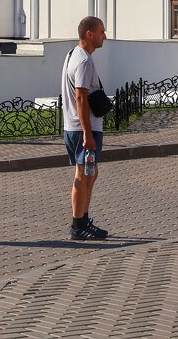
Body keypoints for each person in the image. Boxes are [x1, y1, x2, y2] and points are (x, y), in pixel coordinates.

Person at [63, 16, 108, 241]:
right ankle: (78, 225)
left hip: (78, 128)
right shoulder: (83, 61)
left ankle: (83, 219)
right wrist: (87, 133)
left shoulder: (73, 55)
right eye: (101, 32)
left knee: (91, 173)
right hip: (83, 129)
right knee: (83, 174)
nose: (105, 36)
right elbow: (80, 97)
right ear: (89, 33)